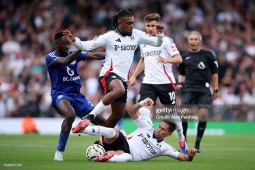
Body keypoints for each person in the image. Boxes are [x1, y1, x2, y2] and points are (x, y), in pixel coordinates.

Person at [63, 9, 165, 128]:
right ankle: (91, 115)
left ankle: (104, 140)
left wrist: (160, 35)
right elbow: (87, 45)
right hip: (108, 74)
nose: (132, 26)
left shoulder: (137, 34)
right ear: (119, 23)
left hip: (123, 78)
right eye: (128, 23)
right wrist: (75, 40)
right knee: (119, 89)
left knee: (117, 115)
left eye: (132, 23)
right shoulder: (109, 36)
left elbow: (157, 43)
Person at [129, 13, 187, 154]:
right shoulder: (144, 42)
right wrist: (134, 76)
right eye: (148, 25)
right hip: (148, 82)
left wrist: (167, 60)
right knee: (143, 110)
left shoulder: (166, 41)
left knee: (172, 115)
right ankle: (148, 135)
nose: (150, 28)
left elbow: (179, 59)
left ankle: (181, 138)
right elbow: (143, 61)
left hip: (165, 82)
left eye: (153, 26)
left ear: (158, 25)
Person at [72, 98, 197, 162]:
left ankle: (107, 157)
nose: (159, 130)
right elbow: (131, 111)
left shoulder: (165, 148)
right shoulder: (147, 127)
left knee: (126, 157)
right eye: (159, 127)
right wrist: (141, 103)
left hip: (127, 153)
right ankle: (83, 129)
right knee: (113, 131)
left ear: (169, 134)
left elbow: (183, 158)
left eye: (163, 130)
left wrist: (190, 156)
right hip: (122, 141)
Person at [45, 31, 106, 161]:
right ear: (56, 43)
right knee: (70, 115)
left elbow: (95, 55)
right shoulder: (50, 57)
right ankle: (59, 153)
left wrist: (114, 55)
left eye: (69, 44)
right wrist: (81, 47)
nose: (67, 46)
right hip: (60, 94)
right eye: (64, 43)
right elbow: (66, 61)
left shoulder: (73, 53)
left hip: (77, 95)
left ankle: (107, 146)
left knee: (103, 122)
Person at [177, 31, 219, 153]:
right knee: (184, 114)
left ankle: (197, 144)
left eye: (196, 39)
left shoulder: (208, 54)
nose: (193, 41)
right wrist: (180, 83)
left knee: (203, 114)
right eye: (191, 39)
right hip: (189, 88)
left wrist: (216, 89)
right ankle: (183, 144)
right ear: (188, 41)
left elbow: (215, 72)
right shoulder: (183, 57)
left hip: (203, 89)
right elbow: (181, 73)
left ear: (200, 42)